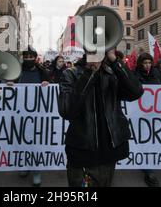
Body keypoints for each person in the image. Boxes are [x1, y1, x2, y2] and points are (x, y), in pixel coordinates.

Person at [58, 50, 144, 187]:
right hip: (82, 152)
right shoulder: (71, 73)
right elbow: (67, 110)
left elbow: (136, 92)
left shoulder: (113, 72)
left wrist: (115, 61)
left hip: (109, 153)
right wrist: (89, 72)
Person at [15, 46, 50, 186]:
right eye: (26, 56)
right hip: (19, 113)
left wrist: (47, 84)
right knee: (21, 140)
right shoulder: (16, 71)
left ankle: (36, 170)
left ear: (35, 57)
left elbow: (51, 92)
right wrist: (10, 85)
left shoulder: (43, 71)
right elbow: (6, 87)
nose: (28, 59)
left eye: (31, 56)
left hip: (38, 114)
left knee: (36, 142)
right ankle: (24, 164)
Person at [134, 53, 161, 187]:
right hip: (140, 115)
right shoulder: (135, 75)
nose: (147, 65)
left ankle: (148, 164)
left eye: (149, 62)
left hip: (155, 114)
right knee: (144, 140)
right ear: (140, 63)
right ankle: (148, 170)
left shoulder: (156, 74)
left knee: (153, 140)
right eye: (145, 62)